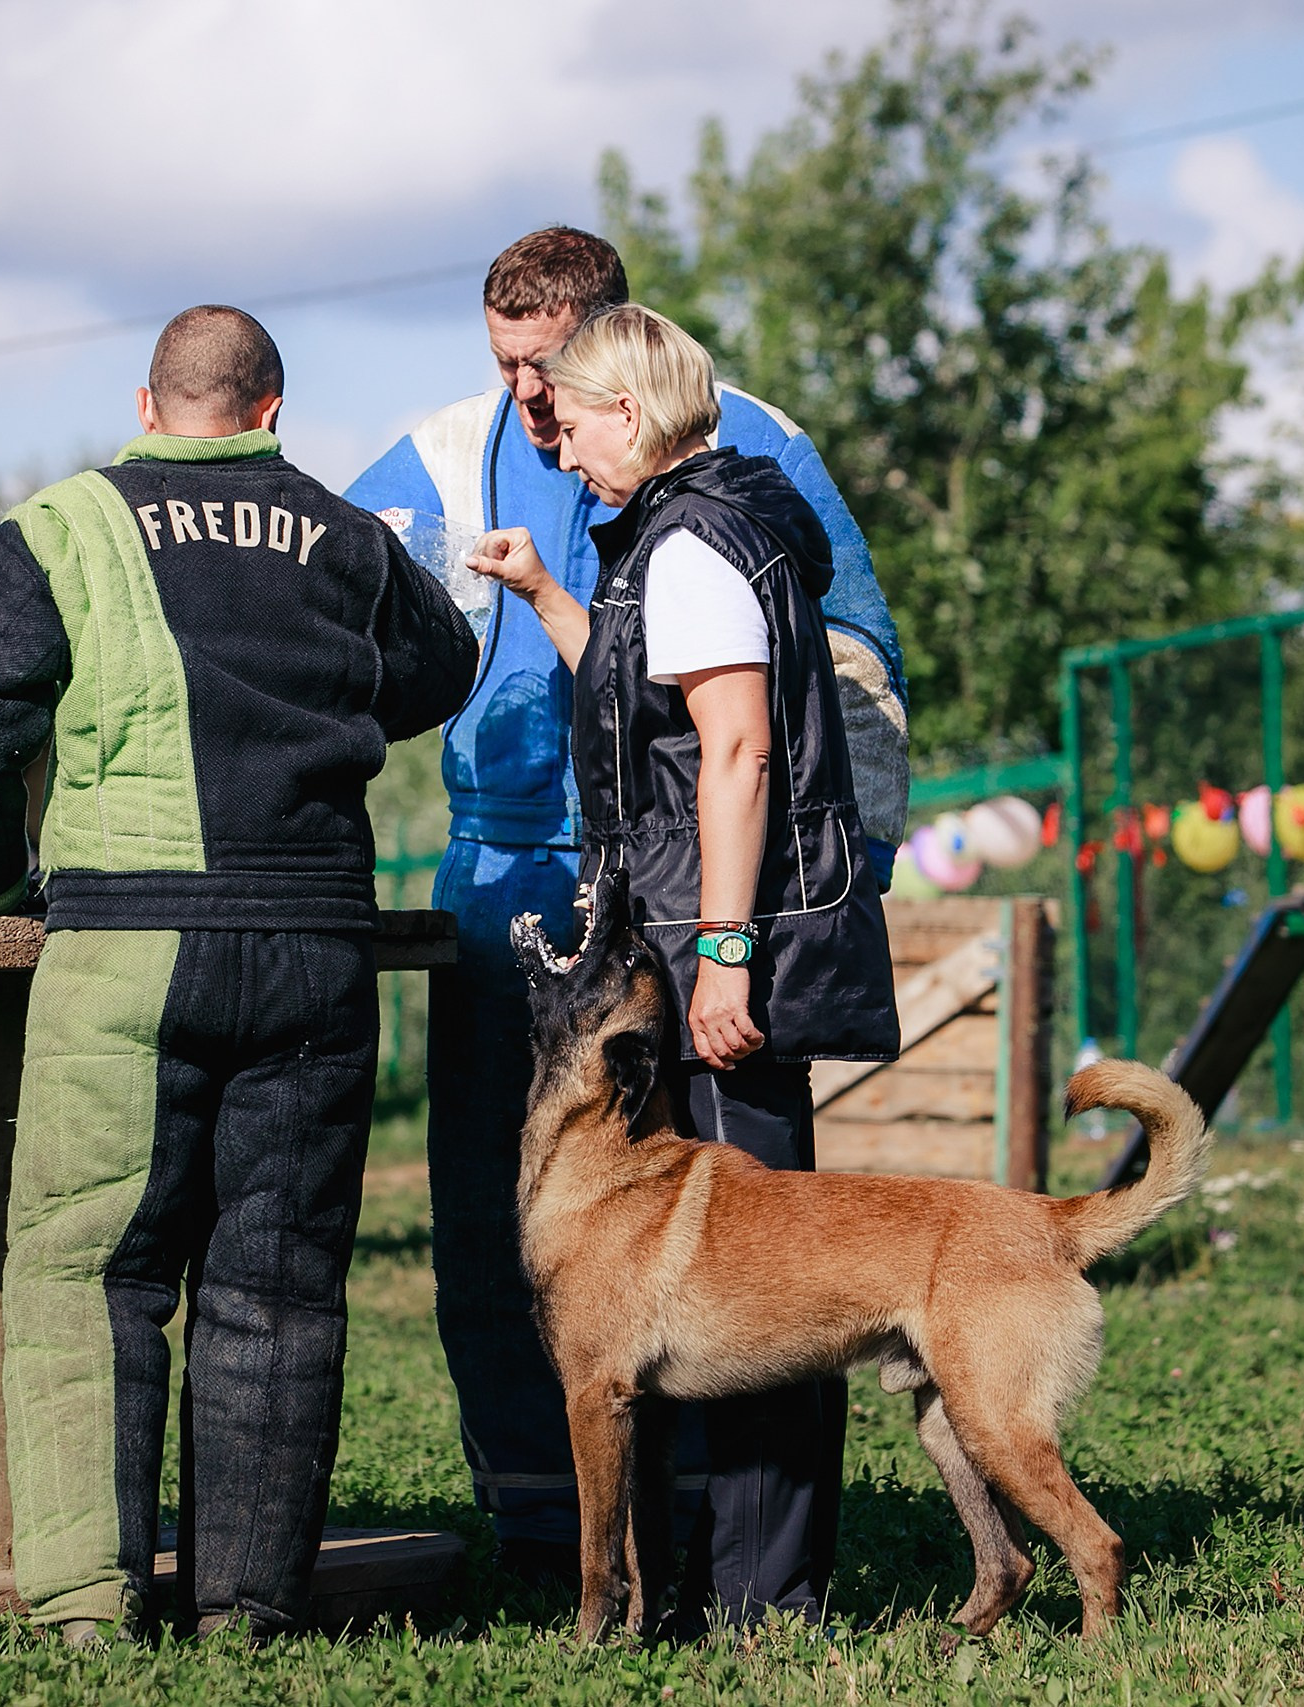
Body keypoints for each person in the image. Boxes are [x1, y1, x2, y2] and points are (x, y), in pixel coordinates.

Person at [0, 307, 477, 1640]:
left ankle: (93, 1608)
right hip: (318, 955)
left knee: (90, 1276)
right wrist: (320, 712)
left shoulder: (67, 526)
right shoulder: (344, 535)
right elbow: (441, 663)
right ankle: (249, 1608)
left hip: (129, 947)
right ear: (270, 409)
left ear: (147, 406)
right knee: (276, 1286)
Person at [344, 227, 908, 1581]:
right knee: (511, 1223)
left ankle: (756, 1576)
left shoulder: (737, 470)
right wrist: (538, 595)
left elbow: (795, 713)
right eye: (508, 370)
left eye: (551, 375)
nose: (529, 405)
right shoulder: (456, 452)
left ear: (617, 371)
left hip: (698, 904)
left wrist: (784, 911)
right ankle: (569, 1532)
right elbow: (335, 598)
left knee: (759, 1247)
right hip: (542, 890)